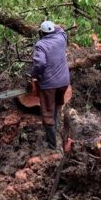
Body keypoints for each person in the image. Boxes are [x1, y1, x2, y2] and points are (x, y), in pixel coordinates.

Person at [32, 20, 69, 150]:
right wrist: (54, 26)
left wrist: (34, 75)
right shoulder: (61, 37)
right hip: (64, 82)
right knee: (57, 106)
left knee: (47, 112)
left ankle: (52, 145)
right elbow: (61, 29)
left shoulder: (40, 45)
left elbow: (40, 64)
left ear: (41, 32)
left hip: (49, 85)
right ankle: (59, 132)